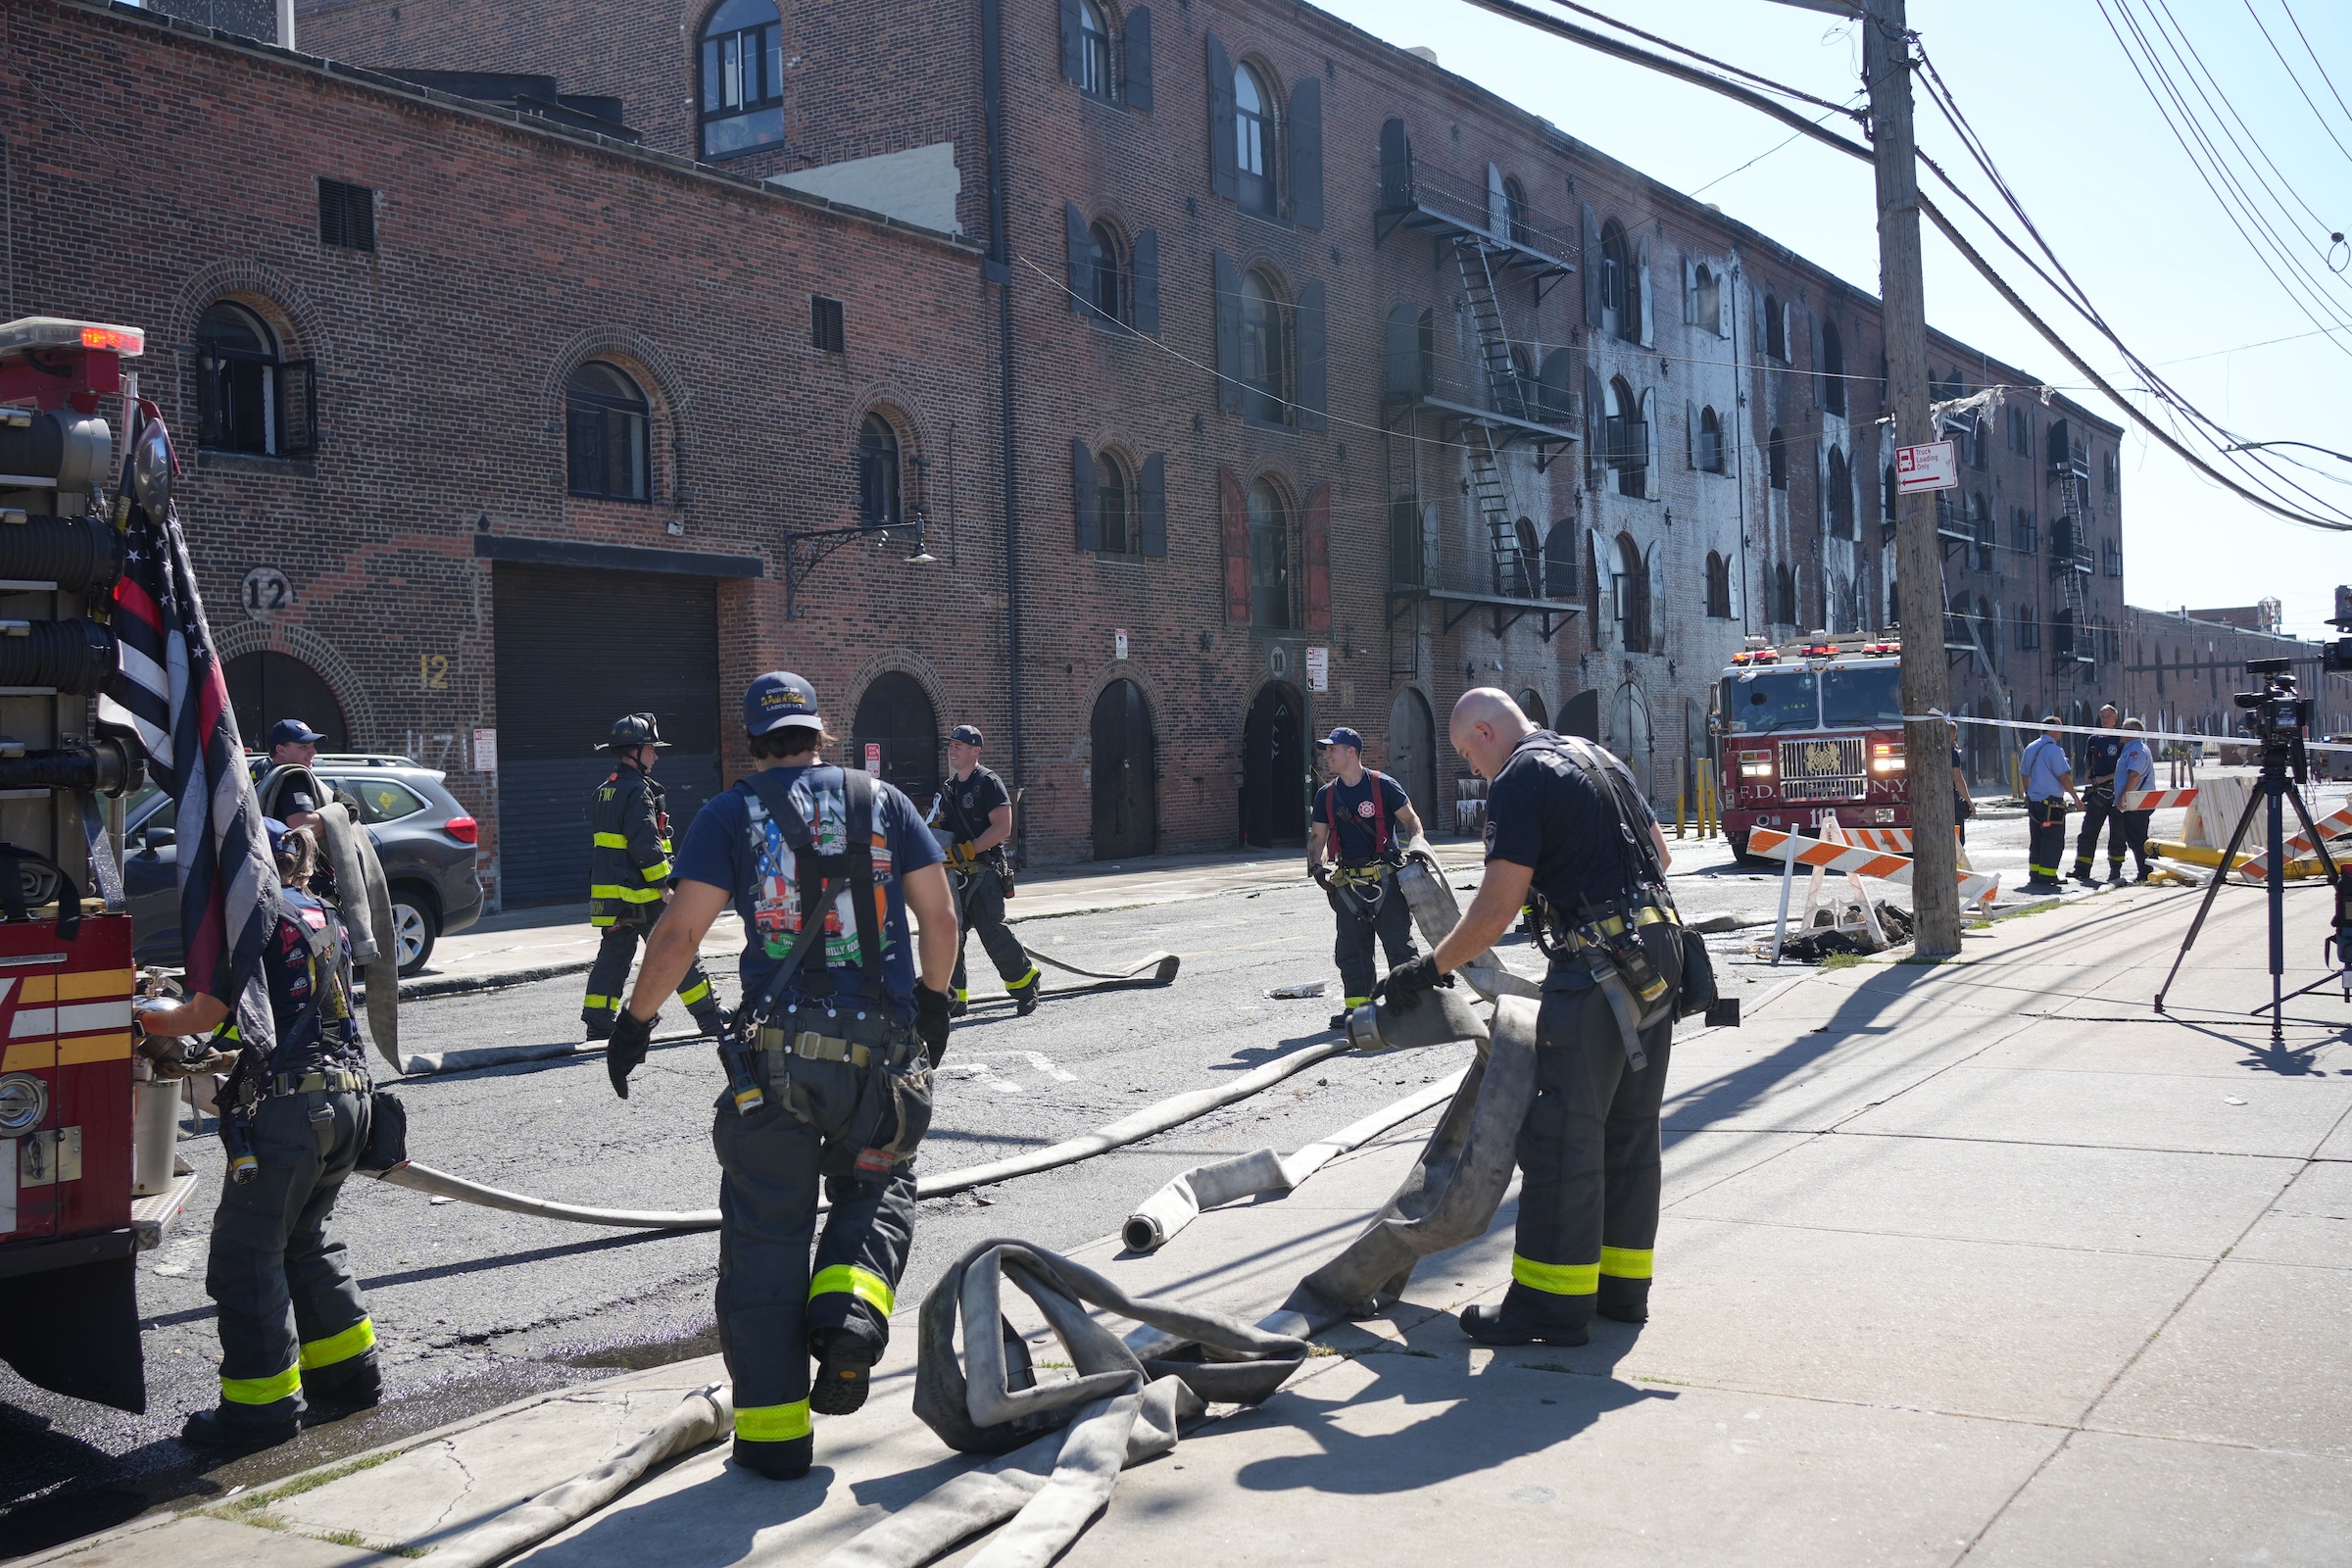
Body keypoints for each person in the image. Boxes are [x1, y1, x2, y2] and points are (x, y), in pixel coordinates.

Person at [609, 671, 957, 1483]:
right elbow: (940, 916)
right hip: (882, 1058)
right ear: (820, 733)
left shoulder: (730, 814)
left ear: (752, 741)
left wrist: (635, 1025)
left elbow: (678, 934)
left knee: (765, 1238)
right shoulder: (885, 802)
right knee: (876, 1190)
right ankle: (846, 1321)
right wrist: (934, 1005)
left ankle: (772, 1440)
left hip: (775, 1062)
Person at [1378, 690, 1679, 1348]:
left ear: (1485, 731)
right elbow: (1661, 856)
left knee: (1560, 1132)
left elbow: (1495, 911)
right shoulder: (1598, 759)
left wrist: (1428, 969)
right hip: (1660, 955)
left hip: (1599, 967)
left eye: (1467, 755)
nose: (1475, 771)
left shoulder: (1520, 776)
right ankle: (1621, 1293)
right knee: (1627, 1130)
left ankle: (1549, 1303)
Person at [139, 820, 378, 1449]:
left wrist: (137, 1011)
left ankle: (260, 1411)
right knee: (304, 1240)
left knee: (247, 1257)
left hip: (290, 1113)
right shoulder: (319, 911)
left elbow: (206, 1014)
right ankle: (350, 1374)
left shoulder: (251, 914)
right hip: (351, 1101)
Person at [583, 712, 726, 1043]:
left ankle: (598, 1023)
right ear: (633, 752)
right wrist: (664, 885)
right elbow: (645, 841)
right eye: (651, 748)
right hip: (643, 895)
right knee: (679, 948)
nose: (656, 755)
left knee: (613, 959)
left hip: (613, 898)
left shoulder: (604, 791)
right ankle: (710, 1017)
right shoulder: (637, 792)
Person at [1306, 726, 1425, 1027]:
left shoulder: (1383, 785)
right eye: (1326, 749)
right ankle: (1359, 1009)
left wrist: (1418, 849)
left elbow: (1411, 821)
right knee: (1351, 950)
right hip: (1348, 884)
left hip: (1387, 879)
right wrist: (1317, 866)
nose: (1327, 754)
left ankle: (1408, 1007)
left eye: (1333, 748)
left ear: (1352, 752)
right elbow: (1318, 838)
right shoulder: (1326, 795)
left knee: (1399, 947)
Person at [926, 723, 1039, 1019]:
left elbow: (1003, 827)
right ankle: (955, 1000)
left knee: (992, 934)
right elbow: (946, 826)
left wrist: (968, 850)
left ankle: (1026, 985)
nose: (952, 750)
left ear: (975, 750)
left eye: (959, 746)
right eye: (951, 745)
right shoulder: (950, 788)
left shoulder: (988, 782)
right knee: (952, 936)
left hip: (985, 872)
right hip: (957, 877)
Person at [2019, 715, 2079, 894]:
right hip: (2052, 804)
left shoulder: (2030, 748)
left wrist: (2027, 793)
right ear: (2052, 729)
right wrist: (2076, 798)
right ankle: (2048, 875)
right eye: (2060, 727)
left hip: (2035, 802)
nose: (2062, 730)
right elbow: (2063, 776)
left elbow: (2024, 773)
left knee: (2037, 838)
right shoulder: (2054, 751)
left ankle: (2035, 873)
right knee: (2052, 839)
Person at [2072, 704, 2129, 884]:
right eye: (2102, 717)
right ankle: (2081, 869)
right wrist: (2088, 771)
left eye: (2108, 717)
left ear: (2115, 719)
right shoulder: (2094, 739)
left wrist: (2105, 778)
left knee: (2117, 833)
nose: (2105, 720)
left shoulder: (2122, 739)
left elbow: (2125, 768)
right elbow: (2088, 758)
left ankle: (2115, 871)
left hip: (2116, 791)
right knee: (2088, 831)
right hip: (2097, 792)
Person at [252, 718, 327, 831]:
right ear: (281, 750)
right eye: (304, 746)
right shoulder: (292, 778)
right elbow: (303, 826)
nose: (313, 752)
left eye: (312, 745)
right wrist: (342, 812)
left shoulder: (269, 775)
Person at [2114, 717, 2156, 883]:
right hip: (2135, 800)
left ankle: (2146, 872)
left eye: (2124, 728)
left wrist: (2124, 796)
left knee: (2137, 839)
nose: (2119, 730)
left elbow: (2134, 775)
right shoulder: (2129, 749)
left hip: (2137, 801)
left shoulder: (2136, 750)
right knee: (2135, 838)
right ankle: (2145, 871)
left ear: (2133, 733)